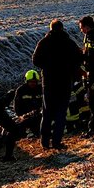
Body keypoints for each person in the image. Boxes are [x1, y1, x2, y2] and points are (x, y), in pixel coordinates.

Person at [31, 19, 82, 149]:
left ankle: (44, 142)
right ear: (62, 28)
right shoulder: (69, 42)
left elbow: (35, 60)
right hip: (65, 82)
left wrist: (47, 67)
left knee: (47, 112)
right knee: (61, 113)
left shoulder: (44, 42)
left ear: (51, 29)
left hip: (48, 82)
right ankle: (57, 142)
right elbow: (79, 58)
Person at [13, 69, 44, 139]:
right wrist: (22, 116)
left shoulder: (40, 89)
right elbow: (16, 106)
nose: (33, 83)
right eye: (31, 82)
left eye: (35, 82)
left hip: (39, 116)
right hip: (25, 117)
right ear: (27, 81)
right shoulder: (21, 90)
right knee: (20, 133)